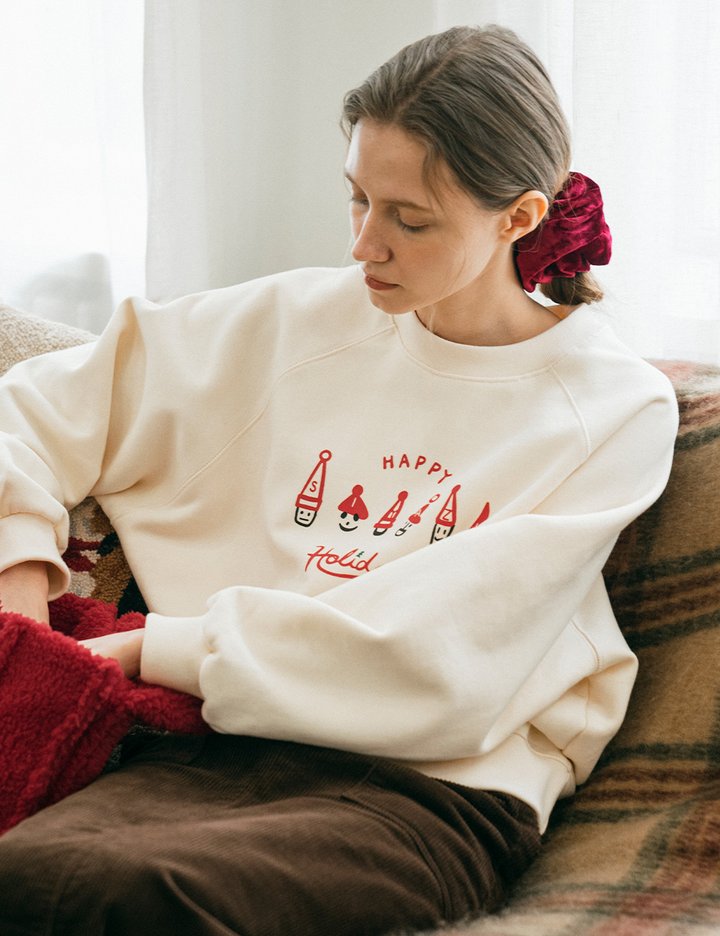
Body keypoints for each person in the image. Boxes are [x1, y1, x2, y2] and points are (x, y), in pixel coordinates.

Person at [0, 23, 678, 936]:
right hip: (208, 742)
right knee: (28, 881)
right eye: (357, 198)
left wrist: (147, 648)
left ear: (519, 217)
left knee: (127, 895)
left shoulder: (613, 406)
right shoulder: (291, 322)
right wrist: (19, 594)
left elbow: (439, 661)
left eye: (409, 219)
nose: (365, 244)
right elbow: (28, 414)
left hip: (433, 789)